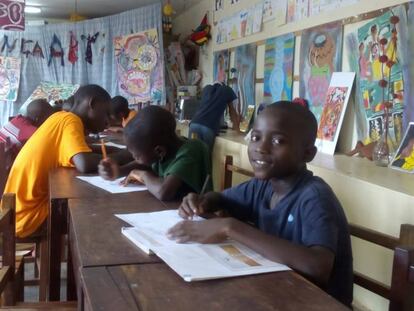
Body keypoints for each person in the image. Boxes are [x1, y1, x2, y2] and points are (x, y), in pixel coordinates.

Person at [168, 101, 353, 307]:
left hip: (317, 303)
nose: (261, 148)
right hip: (275, 292)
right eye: (255, 137)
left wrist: (229, 227)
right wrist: (201, 202)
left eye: (278, 141)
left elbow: (318, 266)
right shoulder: (262, 186)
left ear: (308, 153)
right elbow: (221, 198)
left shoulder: (315, 197)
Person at [3, 84, 113, 238]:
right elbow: (84, 163)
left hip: (17, 213)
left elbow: (83, 150)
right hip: (30, 216)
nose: (108, 121)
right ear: (93, 104)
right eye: (106, 113)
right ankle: (86, 260)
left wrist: (120, 152)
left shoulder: (60, 117)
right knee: (93, 216)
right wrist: (121, 158)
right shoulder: (71, 120)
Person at [99, 105, 212, 201]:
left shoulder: (191, 150)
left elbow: (163, 192)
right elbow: (144, 164)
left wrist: (142, 175)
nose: (133, 158)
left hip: (201, 217)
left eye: (137, 156)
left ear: (159, 151)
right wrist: (118, 171)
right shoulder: (164, 151)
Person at [189, 83, 238, 150]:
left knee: (192, 151)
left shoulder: (206, 88)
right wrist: (237, 129)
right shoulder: (227, 90)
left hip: (194, 124)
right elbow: (232, 111)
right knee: (205, 154)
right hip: (208, 127)